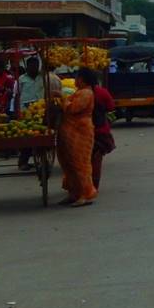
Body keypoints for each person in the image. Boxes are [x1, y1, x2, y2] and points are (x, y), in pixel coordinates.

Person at [56, 69, 97, 207]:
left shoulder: (86, 93)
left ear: (83, 79)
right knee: (69, 163)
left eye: (77, 77)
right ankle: (74, 193)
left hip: (80, 132)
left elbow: (73, 108)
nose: (75, 80)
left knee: (80, 164)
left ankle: (86, 194)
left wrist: (64, 100)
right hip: (70, 131)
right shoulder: (80, 92)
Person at [15, 57, 45, 170]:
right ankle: (23, 161)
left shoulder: (42, 77)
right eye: (32, 66)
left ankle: (41, 160)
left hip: (40, 111)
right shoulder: (21, 79)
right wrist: (16, 112)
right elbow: (16, 96)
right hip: (25, 112)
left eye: (36, 66)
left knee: (41, 136)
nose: (35, 68)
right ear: (28, 67)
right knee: (26, 138)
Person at [89, 70, 116, 191]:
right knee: (96, 161)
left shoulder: (79, 93)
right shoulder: (102, 92)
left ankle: (87, 186)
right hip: (100, 131)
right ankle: (94, 186)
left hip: (86, 132)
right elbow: (111, 107)